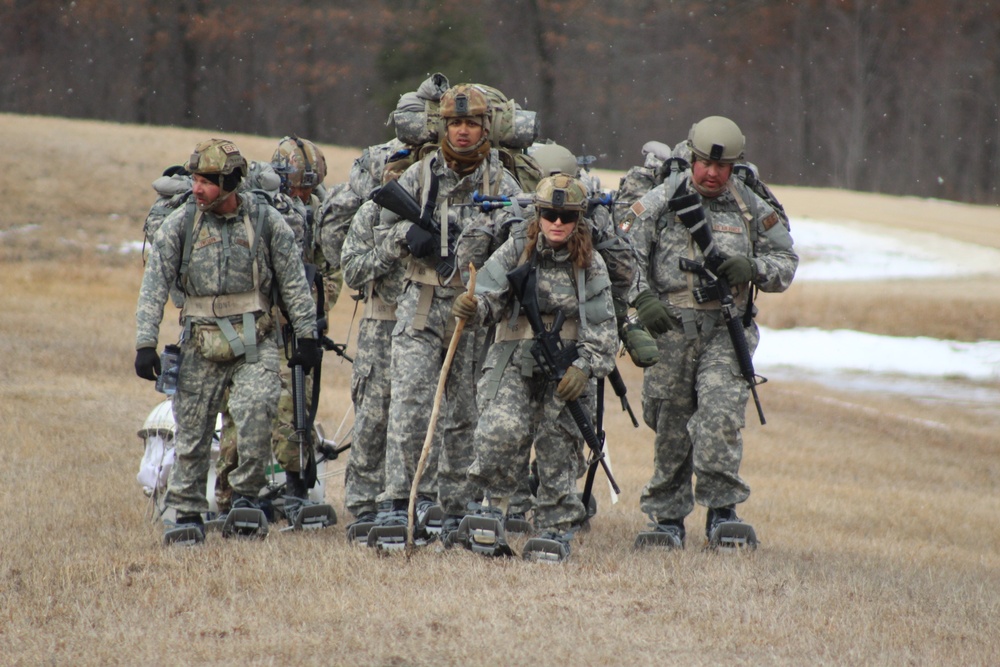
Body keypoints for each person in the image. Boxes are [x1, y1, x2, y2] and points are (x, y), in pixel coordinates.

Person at [618, 116, 797, 549]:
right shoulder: (661, 200)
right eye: (704, 164)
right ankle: (666, 520)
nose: (712, 174)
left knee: (719, 417)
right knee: (672, 427)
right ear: (692, 158)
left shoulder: (750, 204)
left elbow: (785, 262)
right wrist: (643, 300)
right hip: (671, 327)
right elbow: (624, 256)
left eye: (723, 167)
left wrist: (753, 268)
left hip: (725, 326)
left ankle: (722, 514)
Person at [134, 138, 319, 544]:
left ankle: (245, 500)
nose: (196, 188)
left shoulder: (266, 222)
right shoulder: (181, 224)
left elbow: (292, 281)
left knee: (256, 416)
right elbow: (154, 285)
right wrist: (145, 343)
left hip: (256, 341)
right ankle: (186, 513)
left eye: (206, 181)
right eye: (195, 179)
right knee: (193, 433)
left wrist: (306, 335)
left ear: (231, 183)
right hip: (200, 345)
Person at [369, 83, 524, 547]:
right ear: (442, 126)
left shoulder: (504, 185)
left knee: (463, 415)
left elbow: (519, 251)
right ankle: (400, 503)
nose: (462, 131)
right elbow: (369, 251)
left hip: (471, 313)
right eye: (454, 123)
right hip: (418, 310)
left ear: (485, 128)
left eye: (471, 123)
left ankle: (455, 509)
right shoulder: (415, 178)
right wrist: (404, 237)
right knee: (410, 406)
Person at [453, 174, 618, 560]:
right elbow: (489, 298)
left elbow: (605, 331)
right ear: (538, 215)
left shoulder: (591, 265)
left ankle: (555, 529)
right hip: (513, 359)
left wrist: (584, 367)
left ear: (578, 219)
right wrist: (472, 307)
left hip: (567, 371)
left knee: (559, 447)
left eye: (565, 216)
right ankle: (488, 512)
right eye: (549, 215)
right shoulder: (516, 249)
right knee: (499, 431)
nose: (557, 223)